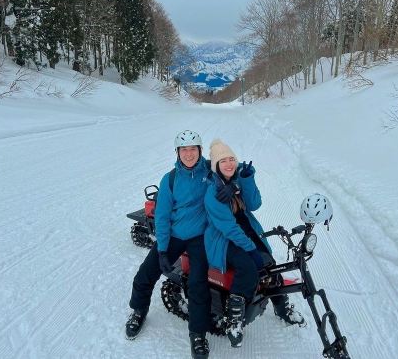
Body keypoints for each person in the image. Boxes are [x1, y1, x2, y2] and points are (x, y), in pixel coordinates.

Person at [203, 139, 305, 348]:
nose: (229, 164)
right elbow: (229, 228)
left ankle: (281, 307)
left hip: (247, 231)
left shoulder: (235, 184)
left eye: (232, 159)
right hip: (223, 239)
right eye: (223, 161)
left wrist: (246, 180)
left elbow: (255, 204)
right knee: (248, 267)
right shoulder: (212, 193)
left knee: (271, 266)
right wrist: (251, 249)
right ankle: (234, 319)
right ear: (216, 166)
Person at [125, 130, 212, 359]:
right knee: (146, 272)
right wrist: (163, 249)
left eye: (193, 149)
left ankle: (198, 334)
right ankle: (139, 309)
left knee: (198, 283)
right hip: (174, 235)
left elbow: (230, 168)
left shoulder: (210, 173)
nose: (189, 153)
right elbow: (162, 216)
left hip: (200, 238)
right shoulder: (170, 179)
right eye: (184, 149)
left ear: (200, 151)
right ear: (178, 152)